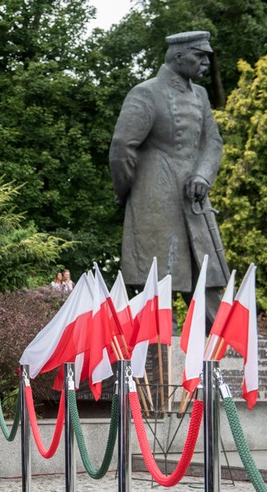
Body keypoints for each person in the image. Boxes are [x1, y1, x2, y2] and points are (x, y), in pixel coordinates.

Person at [110, 30, 226, 327]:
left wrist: (202, 174)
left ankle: (223, 333)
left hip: (194, 198)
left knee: (207, 266)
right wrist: (127, 191)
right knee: (157, 272)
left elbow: (213, 141)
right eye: (199, 56)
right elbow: (123, 147)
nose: (204, 64)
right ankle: (155, 335)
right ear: (177, 56)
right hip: (155, 195)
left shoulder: (200, 95)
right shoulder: (146, 92)